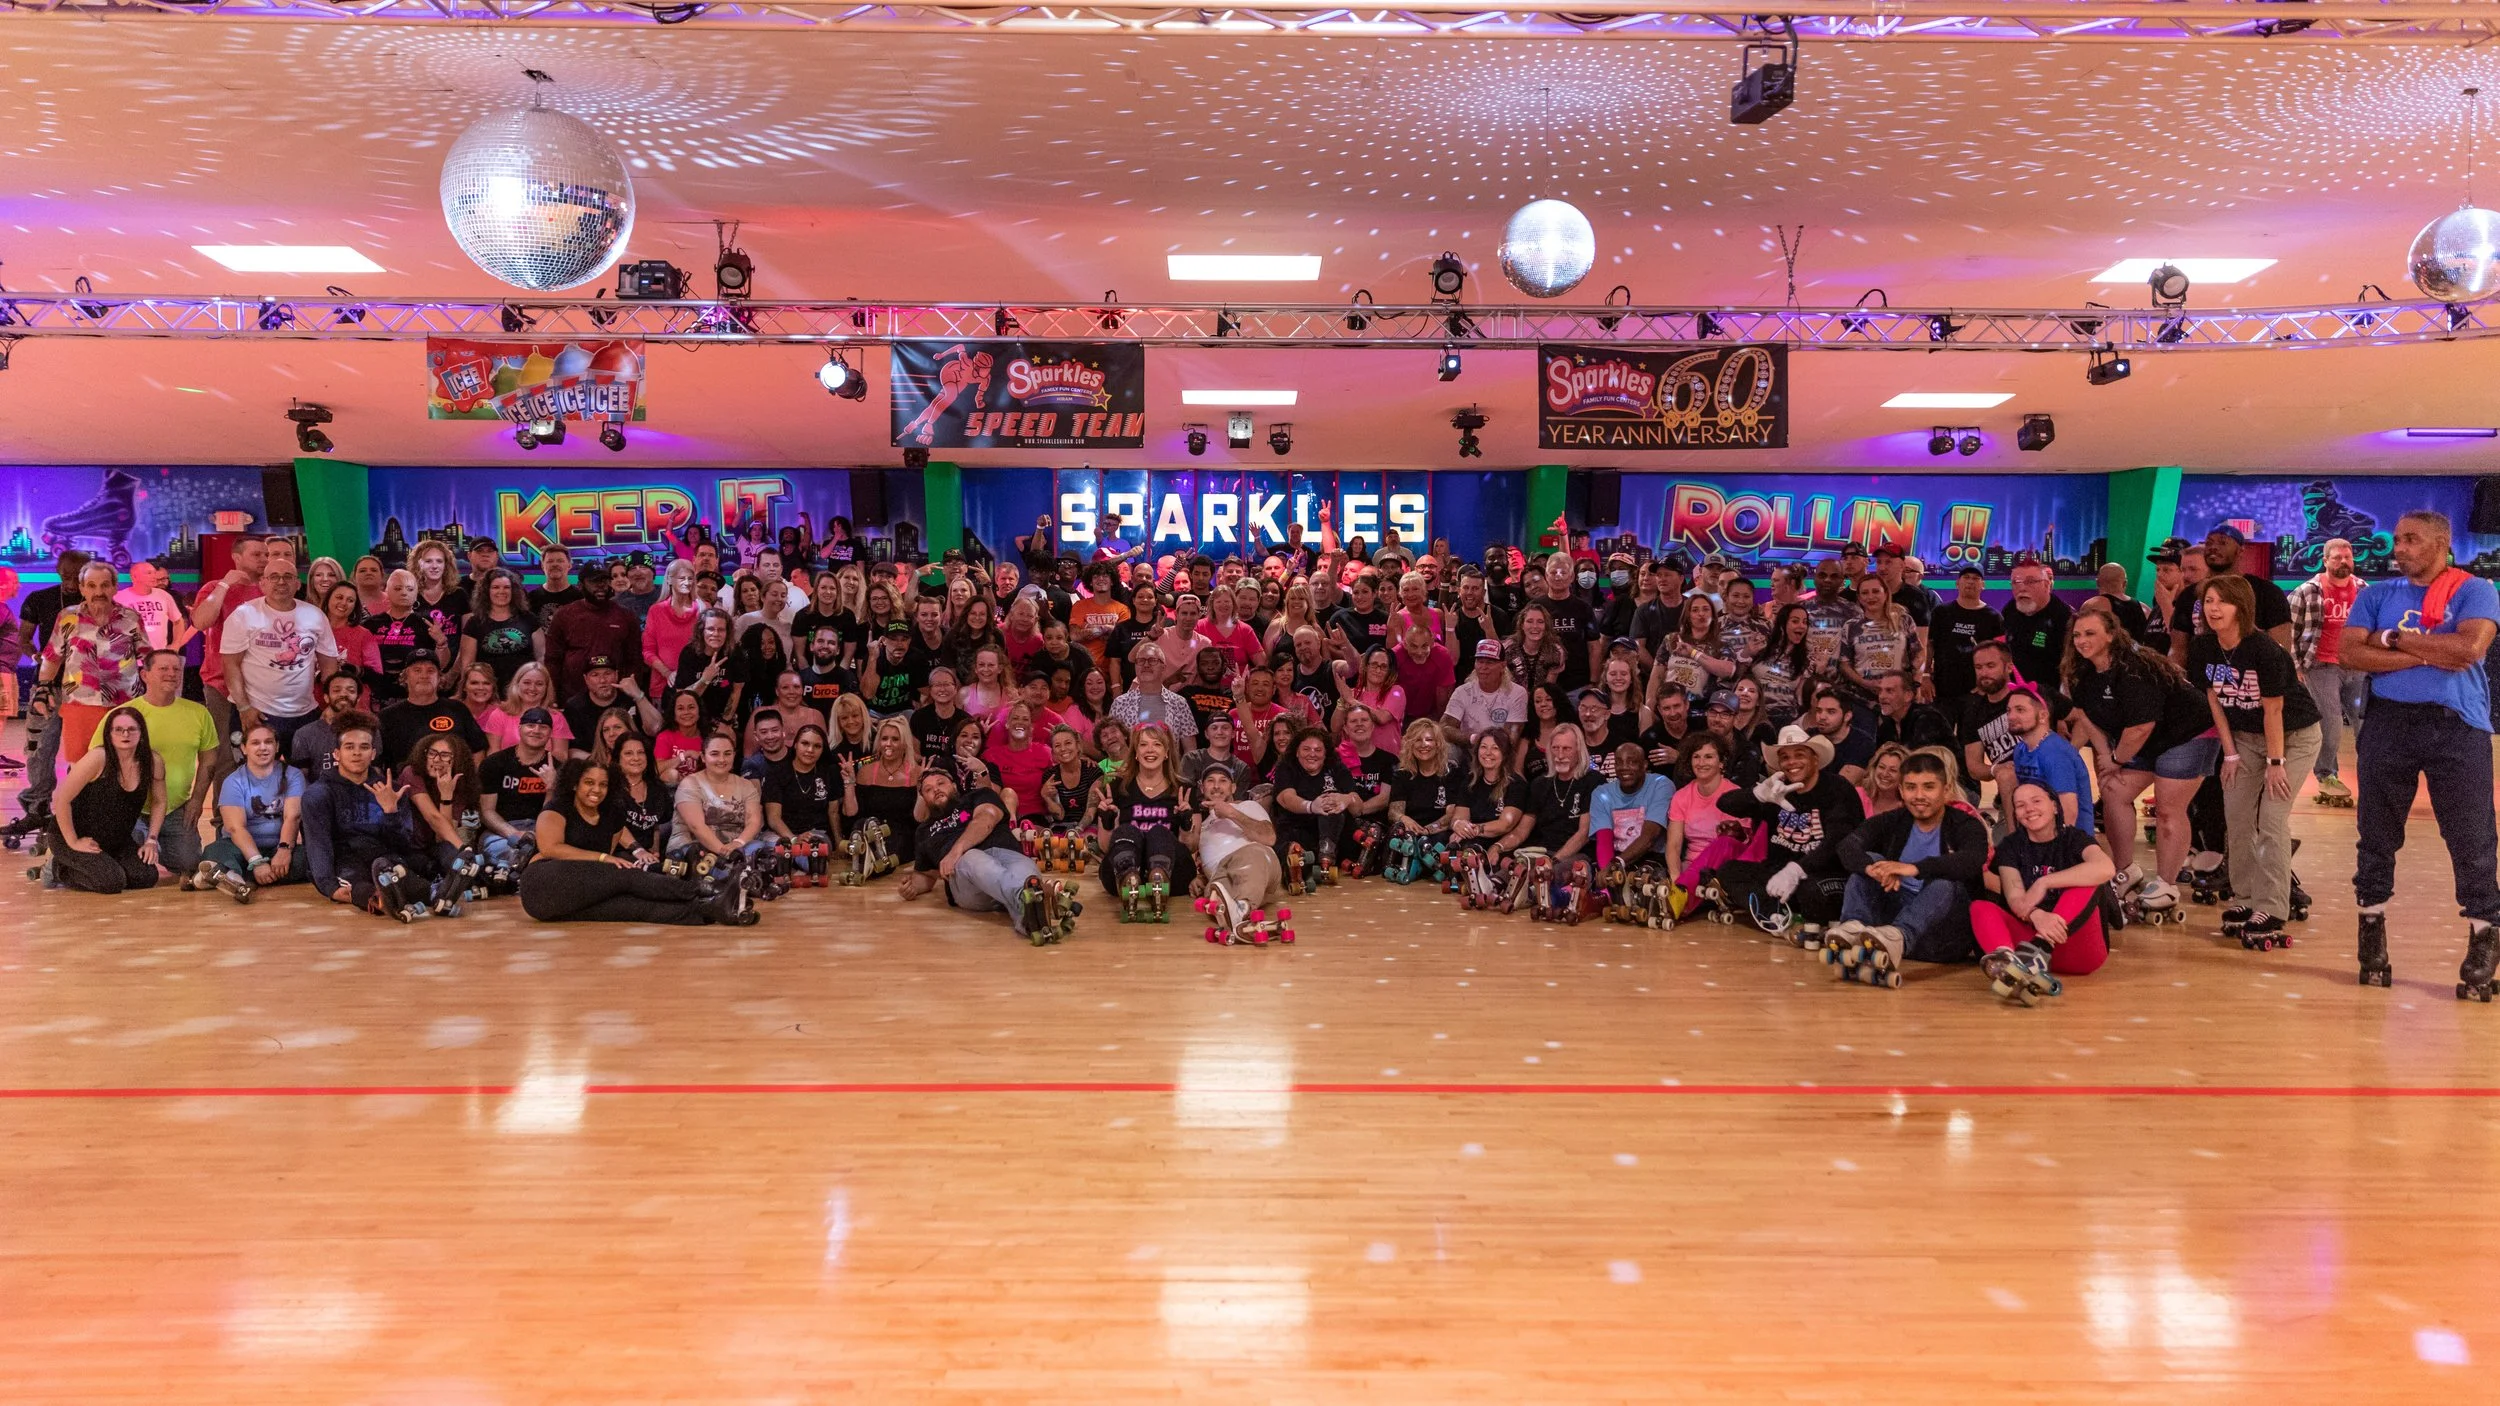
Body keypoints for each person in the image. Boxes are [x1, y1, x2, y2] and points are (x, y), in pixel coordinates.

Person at [2337, 510, 2500, 992]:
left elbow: (2468, 650)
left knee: (2471, 837)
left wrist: (2389, 641)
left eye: (2411, 539)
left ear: (2442, 543)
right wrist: (2432, 649)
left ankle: (2484, 936)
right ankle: (2372, 933)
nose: (2399, 548)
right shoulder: (2378, 594)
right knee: (2377, 834)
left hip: (2457, 727)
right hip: (2389, 724)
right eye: (2398, 539)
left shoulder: (2474, 590)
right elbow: (2349, 654)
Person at [2190, 571, 2322, 951]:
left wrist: (2275, 762)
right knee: (2237, 814)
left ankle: (2273, 905)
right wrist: (2230, 753)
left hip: (2292, 738)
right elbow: (2215, 700)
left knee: (2272, 818)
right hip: (2245, 739)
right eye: (2208, 601)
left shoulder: (2264, 650)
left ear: (2241, 608)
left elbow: (2274, 712)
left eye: (2222, 602)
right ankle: (2245, 897)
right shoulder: (2204, 649)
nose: (2213, 609)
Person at [2061, 606, 2209, 916]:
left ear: (2111, 635)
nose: (2082, 641)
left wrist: (2116, 758)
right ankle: (2125, 870)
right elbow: (2088, 718)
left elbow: (2141, 727)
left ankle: (2167, 884)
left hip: (2188, 733)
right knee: (2114, 791)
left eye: (2090, 633)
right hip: (2143, 740)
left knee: (2168, 807)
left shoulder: (2134, 668)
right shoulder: (2082, 672)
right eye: (2077, 635)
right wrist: (2104, 756)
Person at [521, 758, 755, 926]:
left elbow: (605, 861)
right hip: (544, 883)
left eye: (603, 784)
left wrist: (607, 861)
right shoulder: (557, 809)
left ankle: (713, 910)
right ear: (574, 784)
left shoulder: (612, 815)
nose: (597, 790)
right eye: (589, 782)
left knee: (635, 907)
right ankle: (712, 888)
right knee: (624, 874)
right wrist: (603, 858)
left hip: (575, 899)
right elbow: (551, 848)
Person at [1826, 750, 1990, 981]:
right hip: (1886, 928)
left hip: (1941, 938)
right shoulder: (1894, 820)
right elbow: (1848, 846)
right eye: (1911, 787)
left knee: (1945, 882)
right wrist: (1875, 870)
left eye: (1929, 787)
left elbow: (1972, 859)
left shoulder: (1966, 824)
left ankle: (1898, 936)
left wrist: (1913, 868)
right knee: (1870, 861)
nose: (1919, 795)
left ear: (1946, 790)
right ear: (1901, 791)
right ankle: (1853, 929)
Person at [1972, 781, 2119, 1004]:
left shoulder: (2074, 838)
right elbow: (2015, 899)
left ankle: (2039, 950)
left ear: (2055, 807)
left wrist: (2045, 882)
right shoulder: (2011, 846)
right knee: (1980, 907)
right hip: (2028, 941)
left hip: (2076, 947)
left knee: (2088, 879)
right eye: (2020, 805)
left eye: (2036, 801)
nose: (2028, 808)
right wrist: (2036, 915)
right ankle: (2010, 963)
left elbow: (2106, 868)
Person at [1712, 723, 1866, 933]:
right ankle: (1777, 916)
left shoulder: (1837, 788)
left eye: (1799, 754)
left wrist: (1797, 870)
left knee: (1809, 890)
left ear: (1815, 759)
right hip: (1778, 872)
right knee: (1729, 871)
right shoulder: (1777, 788)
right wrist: (1757, 795)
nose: (1791, 762)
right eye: (1785, 757)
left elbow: (1837, 841)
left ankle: (1794, 914)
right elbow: (1724, 803)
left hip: (1825, 873)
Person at [897, 763, 1077, 943]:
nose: (935, 790)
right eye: (928, 789)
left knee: (1027, 877)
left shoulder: (980, 795)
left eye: (940, 783)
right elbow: (927, 876)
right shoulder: (924, 831)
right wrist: (913, 887)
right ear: (924, 799)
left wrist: (955, 850)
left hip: (1009, 856)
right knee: (972, 857)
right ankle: (1028, 897)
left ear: (953, 785)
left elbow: (987, 819)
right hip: (968, 882)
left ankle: (1031, 922)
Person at [303, 713, 441, 921]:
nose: (357, 753)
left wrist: (390, 812)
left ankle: (434, 893)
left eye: (364, 747)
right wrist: (328, 886)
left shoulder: (391, 789)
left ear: (373, 753)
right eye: (349, 747)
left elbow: (403, 844)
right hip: (345, 862)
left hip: (385, 858)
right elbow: (318, 844)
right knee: (357, 881)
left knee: (405, 866)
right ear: (336, 754)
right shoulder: (318, 793)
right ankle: (382, 899)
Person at [102, 648, 216, 875]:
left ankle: (157, 844)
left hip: (175, 808)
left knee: (189, 864)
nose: (171, 674)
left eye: (176, 669)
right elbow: (99, 760)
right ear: (145, 675)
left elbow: (209, 761)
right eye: (163, 668)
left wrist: (196, 801)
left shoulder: (198, 713)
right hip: (131, 808)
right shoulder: (124, 715)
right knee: (133, 869)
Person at [219, 556, 340, 754]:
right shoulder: (243, 615)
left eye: (287, 576)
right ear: (263, 583)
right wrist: (244, 708)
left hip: (304, 713)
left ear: (297, 583)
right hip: (257, 713)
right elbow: (230, 665)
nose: (281, 582)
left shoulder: (315, 615)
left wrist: (331, 705)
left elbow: (329, 664)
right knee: (255, 775)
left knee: (304, 775)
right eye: (274, 577)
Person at [42, 704, 164, 894]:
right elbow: (62, 800)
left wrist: (151, 840)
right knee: (111, 883)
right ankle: (59, 868)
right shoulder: (98, 758)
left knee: (146, 876)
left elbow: (159, 801)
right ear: (109, 734)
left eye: (132, 729)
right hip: (72, 836)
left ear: (142, 733)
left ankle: (100, 865)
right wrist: (73, 841)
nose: (125, 734)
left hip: (116, 840)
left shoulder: (152, 761)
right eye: (119, 730)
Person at [38, 560, 148, 769]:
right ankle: (80, 803)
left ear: (115, 587)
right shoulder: (67, 617)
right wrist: (42, 689)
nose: (99, 592)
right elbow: (51, 657)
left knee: (124, 765)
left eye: (105, 585)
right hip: (80, 704)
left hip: (124, 705)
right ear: (81, 588)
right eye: (91, 585)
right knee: (81, 767)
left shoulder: (131, 618)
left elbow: (147, 656)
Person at [192, 721, 305, 902]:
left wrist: (284, 850)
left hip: (277, 846)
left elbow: (293, 816)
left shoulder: (293, 775)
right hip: (238, 846)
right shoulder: (233, 781)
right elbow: (235, 828)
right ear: (244, 748)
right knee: (216, 851)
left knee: (305, 859)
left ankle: (226, 877)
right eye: (255, 743)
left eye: (268, 742)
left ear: (276, 747)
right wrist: (257, 861)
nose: (263, 748)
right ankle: (239, 881)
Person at [2288, 536, 2364, 805]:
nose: (2344, 561)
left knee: (2364, 722)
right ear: (2325, 561)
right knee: (2331, 722)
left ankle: (2370, 774)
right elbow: (2289, 633)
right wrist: (2295, 668)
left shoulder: (2364, 590)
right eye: (2337, 557)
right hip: (2320, 665)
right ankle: (2326, 774)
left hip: (2356, 665)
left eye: (2348, 556)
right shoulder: (2307, 591)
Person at [1093, 722, 1193, 905]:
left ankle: (1159, 878)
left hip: (1174, 874)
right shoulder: (1116, 788)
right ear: (1136, 753)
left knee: (1159, 833)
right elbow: (1106, 847)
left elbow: (1191, 846)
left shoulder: (1184, 790)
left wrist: (1185, 824)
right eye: (1143, 744)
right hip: (1126, 865)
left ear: (1167, 753)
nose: (1150, 750)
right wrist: (1107, 822)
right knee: (1127, 831)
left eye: (1157, 744)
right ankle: (1128, 878)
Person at [1185, 762, 1287, 938]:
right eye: (1210, 781)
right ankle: (1240, 918)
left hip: (1257, 859)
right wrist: (1198, 876)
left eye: (1223, 781)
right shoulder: (1202, 826)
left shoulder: (1248, 806)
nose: (1216, 786)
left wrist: (1231, 813)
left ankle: (1241, 908)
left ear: (1233, 787)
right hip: (1222, 873)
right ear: (1202, 788)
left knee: (1250, 856)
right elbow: (1195, 854)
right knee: (1216, 891)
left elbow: (1269, 838)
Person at [1994, 683, 2094, 836]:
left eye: (2020, 710)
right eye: (2009, 711)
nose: (2011, 716)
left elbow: (2068, 813)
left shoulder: (2055, 753)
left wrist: (2052, 852)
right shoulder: (2021, 749)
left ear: (2042, 716)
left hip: (2069, 844)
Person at [669, 730, 775, 867]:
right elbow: (697, 827)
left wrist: (739, 843)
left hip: (736, 846)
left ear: (734, 755)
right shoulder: (690, 784)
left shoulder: (746, 785)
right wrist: (725, 853)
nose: (722, 759)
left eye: (727, 754)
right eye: (714, 754)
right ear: (703, 757)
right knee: (718, 865)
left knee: (760, 850)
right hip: (695, 846)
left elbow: (753, 821)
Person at [544, 562, 642, 703]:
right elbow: (553, 661)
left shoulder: (626, 616)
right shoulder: (564, 615)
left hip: (616, 698)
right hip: (572, 699)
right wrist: (551, 698)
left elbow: (634, 661)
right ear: (580, 585)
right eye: (594, 581)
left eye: (604, 580)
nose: (601, 585)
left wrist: (629, 695)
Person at [379, 654, 490, 772]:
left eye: (430, 671)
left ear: (439, 678)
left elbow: (478, 750)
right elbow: (377, 760)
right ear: (405, 677)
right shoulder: (387, 716)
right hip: (405, 787)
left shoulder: (457, 709)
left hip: (453, 785)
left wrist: (471, 782)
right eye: (417, 670)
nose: (424, 676)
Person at [841, 717, 922, 871]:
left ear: (904, 743)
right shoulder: (866, 771)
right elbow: (851, 813)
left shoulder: (917, 772)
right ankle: (871, 858)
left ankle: (868, 861)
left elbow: (919, 819)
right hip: (869, 830)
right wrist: (849, 782)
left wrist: (921, 791)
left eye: (895, 739)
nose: (888, 744)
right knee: (861, 824)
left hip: (900, 835)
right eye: (884, 738)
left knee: (898, 841)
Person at [362, 570, 445, 708]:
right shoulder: (371, 624)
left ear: (416, 593)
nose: (404, 593)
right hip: (377, 693)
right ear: (387, 591)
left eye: (410, 589)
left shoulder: (427, 623)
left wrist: (441, 642)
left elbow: (440, 665)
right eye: (398, 588)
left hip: (415, 694)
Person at [1587, 742, 1674, 872]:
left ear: (1644, 765)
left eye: (1632, 762)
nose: (1624, 767)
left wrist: (1616, 864)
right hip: (1616, 858)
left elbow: (1649, 837)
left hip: (1651, 858)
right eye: (1619, 762)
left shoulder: (1660, 785)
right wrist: (1608, 874)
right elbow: (1604, 841)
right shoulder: (1601, 793)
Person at [454, 567, 542, 693]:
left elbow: (541, 657)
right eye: (496, 587)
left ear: (514, 591)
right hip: (486, 693)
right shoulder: (474, 623)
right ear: (486, 591)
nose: (502, 591)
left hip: (523, 692)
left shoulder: (529, 619)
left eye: (506, 587)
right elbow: (468, 666)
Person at [1926, 566, 2002, 709]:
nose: (1970, 582)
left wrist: (1989, 684)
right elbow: (1929, 645)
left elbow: (2001, 655)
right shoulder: (1941, 612)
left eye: (1975, 578)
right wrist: (1925, 676)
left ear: (1983, 585)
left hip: (1977, 691)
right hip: (1942, 689)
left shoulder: (1993, 617)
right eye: (1966, 577)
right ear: (1957, 583)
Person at [1441, 639, 1530, 749]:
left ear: (1503, 665)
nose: (1483, 667)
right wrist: (1473, 738)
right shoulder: (1462, 691)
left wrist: (1487, 745)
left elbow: (1512, 737)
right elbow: (1445, 727)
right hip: (1468, 749)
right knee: (1450, 752)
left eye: (1489, 662)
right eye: (1480, 661)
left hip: (1501, 751)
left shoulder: (1517, 693)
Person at [2000, 557, 2072, 690]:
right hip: (2013, 690)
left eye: (2030, 581)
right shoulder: (2010, 609)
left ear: (2047, 585)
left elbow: (2071, 665)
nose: (2022, 588)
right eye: (2016, 582)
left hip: (2048, 693)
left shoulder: (2064, 617)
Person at [1107, 644, 1199, 746]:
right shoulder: (1120, 704)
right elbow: (1113, 746)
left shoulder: (1179, 703)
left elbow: (1190, 749)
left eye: (1152, 660)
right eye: (1141, 661)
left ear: (1163, 667)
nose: (1146, 665)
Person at [287, 670, 367, 780]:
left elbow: (376, 770)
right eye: (336, 690)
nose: (343, 694)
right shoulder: (305, 734)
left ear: (358, 698)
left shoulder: (370, 730)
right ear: (326, 697)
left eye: (351, 691)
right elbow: (300, 778)